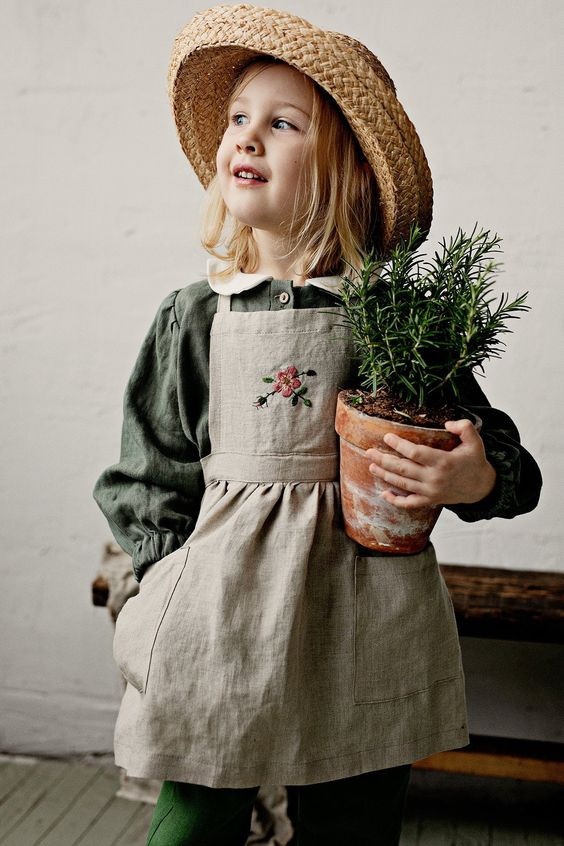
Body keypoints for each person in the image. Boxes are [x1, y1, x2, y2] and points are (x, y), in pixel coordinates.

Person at [93, 5, 542, 844]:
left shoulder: (396, 324)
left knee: (355, 815)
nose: (246, 138)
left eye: (281, 123)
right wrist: (169, 587)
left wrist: (473, 477)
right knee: (195, 813)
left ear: (349, 173)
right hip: (220, 609)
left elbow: (506, 462)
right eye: (237, 120)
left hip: (365, 612)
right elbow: (146, 474)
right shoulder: (194, 316)